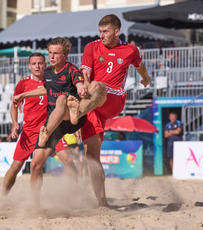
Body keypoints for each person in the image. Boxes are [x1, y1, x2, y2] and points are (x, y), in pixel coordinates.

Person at [68, 14, 150, 206]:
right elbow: (85, 74)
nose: (101, 35)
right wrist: (86, 92)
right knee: (92, 157)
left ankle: (75, 116)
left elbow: (140, 66)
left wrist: (146, 79)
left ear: (116, 31)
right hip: (93, 106)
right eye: (100, 31)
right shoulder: (91, 47)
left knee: (97, 86)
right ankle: (102, 202)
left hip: (114, 99)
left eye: (105, 31)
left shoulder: (130, 50)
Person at [3, 52, 77, 196]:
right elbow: (14, 105)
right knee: (16, 167)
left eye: (40, 63)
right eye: (34, 64)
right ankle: (3, 196)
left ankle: (75, 195)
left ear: (45, 65)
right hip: (30, 131)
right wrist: (14, 123)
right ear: (29, 66)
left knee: (68, 160)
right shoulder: (23, 83)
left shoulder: (52, 80)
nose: (37, 66)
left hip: (51, 129)